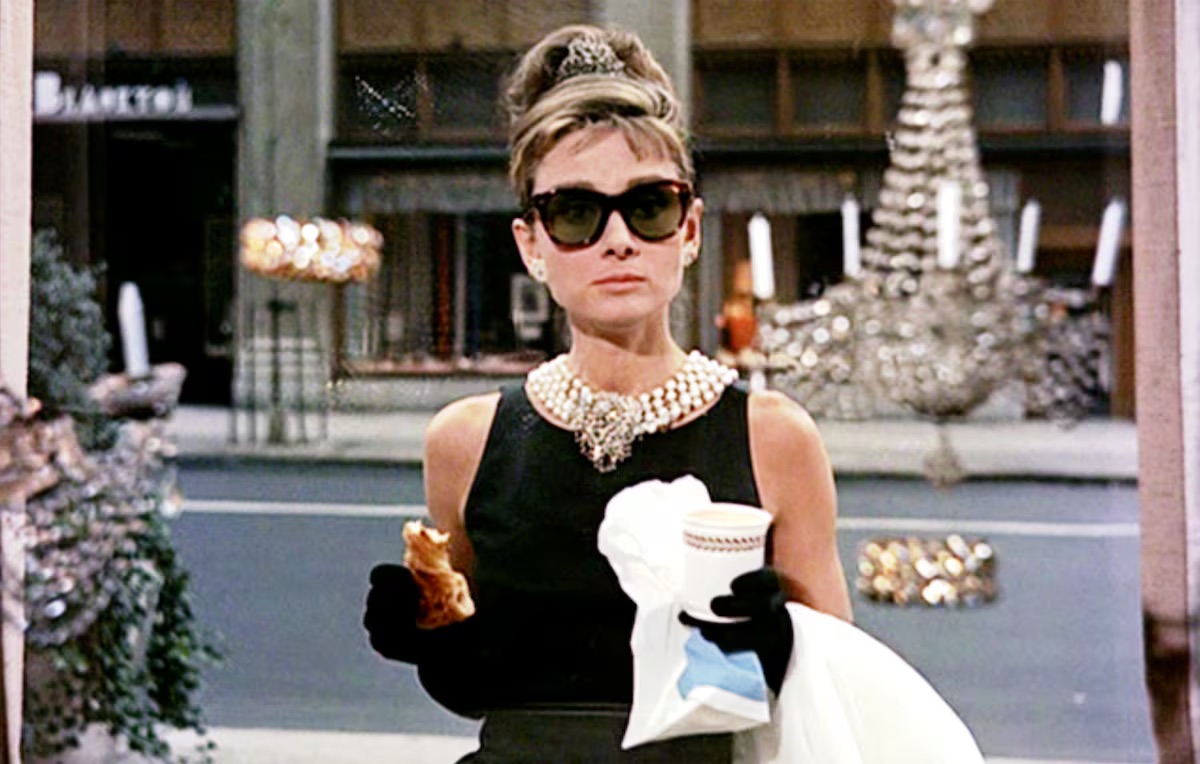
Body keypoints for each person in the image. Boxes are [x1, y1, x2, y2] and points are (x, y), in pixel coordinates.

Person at [364, 23, 852, 762]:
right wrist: (428, 636)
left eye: (648, 206)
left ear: (689, 230)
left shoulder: (774, 437)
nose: (618, 240)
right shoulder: (464, 441)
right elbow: (475, 688)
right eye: (576, 213)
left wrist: (782, 641)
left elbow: (837, 691)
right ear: (532, 244)